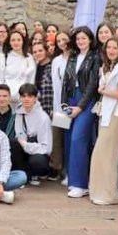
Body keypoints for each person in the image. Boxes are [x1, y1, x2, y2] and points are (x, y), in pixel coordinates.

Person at [62, 26, 101, 198]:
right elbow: (65, 81)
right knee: (69, 139)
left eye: (84, 38)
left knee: (78, 139)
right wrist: (64, 103)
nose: (80, 41)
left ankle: (81, 184)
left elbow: (92, 85)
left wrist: (80, 107)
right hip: (71, 98)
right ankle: (73, 179)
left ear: (90, 40)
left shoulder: (95, 57)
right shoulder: (72, 57)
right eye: (78, 39)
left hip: (86, 101)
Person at [88, 38, 118, 205]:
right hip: (105, 113)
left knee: (108, 155)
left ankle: (108, 195)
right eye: (109, 47)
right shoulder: (107, 66)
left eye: (115, 48)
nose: (111, 51)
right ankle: (99, 192)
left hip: (115, 115)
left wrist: (102, 91)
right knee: (101, 154)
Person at [11, 84, 52, 184]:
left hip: (38, 152)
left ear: (35, 98)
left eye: (30, 96)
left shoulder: (43, 117)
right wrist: (22, 143)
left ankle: (34, 174)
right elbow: (19, 134)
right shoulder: (19, 113)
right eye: (23, 96)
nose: (26, 99)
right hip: (24, 147)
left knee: (37, 162)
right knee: (12, 143)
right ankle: (22, 175)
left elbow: (46, 148)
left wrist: (26, 145)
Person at [49, 32, 71, 184]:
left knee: (71, 140)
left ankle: (70, 172)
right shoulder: (56, 60)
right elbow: (54, 85)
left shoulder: (76, 58)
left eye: (64, 39)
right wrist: (54, 106)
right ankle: (60, 170)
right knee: (58, 140)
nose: (62, 43)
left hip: (72, 104)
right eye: (59, 41)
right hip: (58, 106)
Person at [3, 30, 36, 108]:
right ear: (9, 42)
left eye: (18, 40)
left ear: (23, 41)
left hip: (25, 99)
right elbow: (0, 79)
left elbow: (31, 79)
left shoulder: (29, 58)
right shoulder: (4, 57)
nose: (16, 42)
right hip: (7, 99)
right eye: (13, 40)